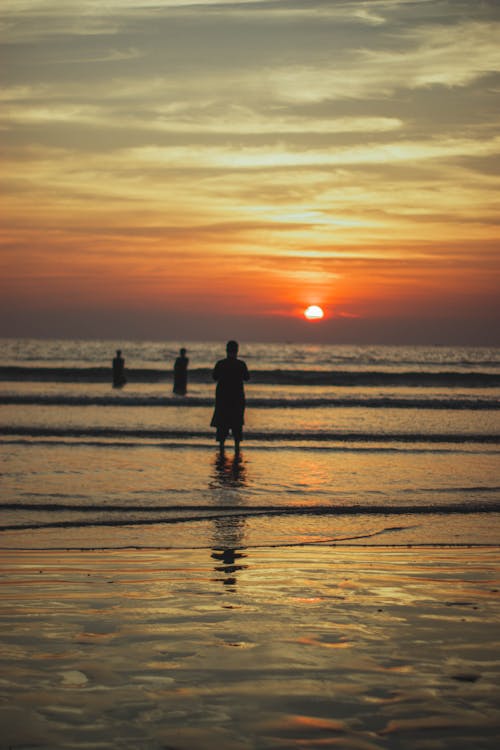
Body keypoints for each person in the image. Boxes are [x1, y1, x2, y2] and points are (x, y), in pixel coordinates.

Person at [210, 340, 249, 454]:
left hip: (223, 398)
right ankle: (236, 448)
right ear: (237, 351)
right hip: (237, 398)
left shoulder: (221, 364)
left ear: (226, 350)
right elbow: (247, 377)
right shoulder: (241, 364)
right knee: (237, 424)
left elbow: (214, 377)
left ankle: (222, 448)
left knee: (222, 425)